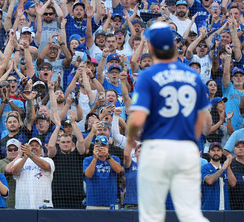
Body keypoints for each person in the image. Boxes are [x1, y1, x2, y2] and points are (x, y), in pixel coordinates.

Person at [127, 22, 211, 222]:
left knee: (152, 214)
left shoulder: (148, 75)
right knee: (190, 213)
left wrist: (130, 141)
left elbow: (137, 118)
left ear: (151, 47)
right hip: (187, 148)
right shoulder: (193, 76)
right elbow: (201, 121)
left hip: (157, 147)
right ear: (174, 46)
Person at [11, 137, 55, 209]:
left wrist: (30, 155)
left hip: (43, 205)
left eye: (36, 145)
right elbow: (14, 171)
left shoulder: (48, 160)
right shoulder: (19, 160)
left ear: (41, 149)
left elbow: (46, 167)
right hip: (23, 206)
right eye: (31, 145)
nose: (34, 147)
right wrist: (25, 157)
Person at [83, 135, 123, 209]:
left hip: (111, 203)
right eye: (98, 146)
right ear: (94, 147)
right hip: (93, 203)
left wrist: (108, 156)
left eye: (103, 146)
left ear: (107, 147)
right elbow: (88, 175)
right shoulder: (87, 160)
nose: (100, 148)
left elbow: (118, 170)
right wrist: (95, 158)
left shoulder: (114, 158)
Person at [201, 142, 236, 210]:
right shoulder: (205, 167)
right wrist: (223, 168)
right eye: (213, 150)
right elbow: (209, 181)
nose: (216, 153)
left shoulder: (226, 168)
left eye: (218, 150)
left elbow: (233, 183)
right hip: (208, 209)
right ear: (208, 152)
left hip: (225, 209)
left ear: (222, 152)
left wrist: (228, 167)